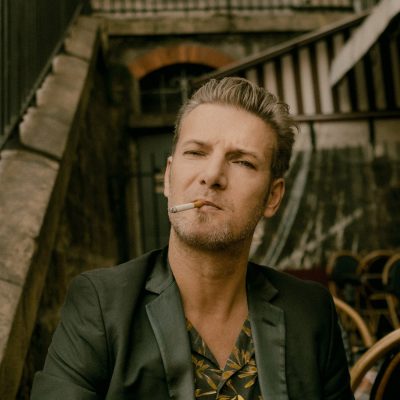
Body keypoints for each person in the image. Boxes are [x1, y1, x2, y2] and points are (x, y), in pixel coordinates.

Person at [31, 77, 354, 399]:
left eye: (242, 161)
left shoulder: (311, 313)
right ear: (168, 177)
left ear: (273, 196)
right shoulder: (101, 304)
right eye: (196, 152)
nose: (212, 176)